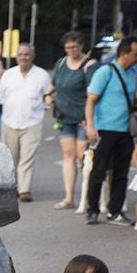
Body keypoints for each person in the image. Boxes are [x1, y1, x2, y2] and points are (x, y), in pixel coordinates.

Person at [83, 36, 137, 226]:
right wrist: (91, 126)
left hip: (125, 131)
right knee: (98, 171)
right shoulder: (105, 72)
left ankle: (115, 211)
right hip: (105, 130)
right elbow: (91, 100)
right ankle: (92, 210)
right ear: (124, 54)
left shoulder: (133, 72)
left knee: (121, 172)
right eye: (136, 54)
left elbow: (124, 96)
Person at [48, 31, 96, 210]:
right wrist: (48, 95)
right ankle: (69, 197)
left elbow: (94, 93)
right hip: (64, 116)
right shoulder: (61, 63)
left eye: (75, 46)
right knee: (68, 155)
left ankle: (89, 196)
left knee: (82, 157)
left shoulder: (89, 65)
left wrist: (90, 120)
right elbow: (53, 85)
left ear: (82, 45)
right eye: (68, 47)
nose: (71, 50)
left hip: (84, 118)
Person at [0, 43, 50, 200]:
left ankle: (24, 190)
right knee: (9, 158)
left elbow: (47, 97)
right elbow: (2, 97)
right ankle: (10, 188)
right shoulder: (8, 75)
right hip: (9, 121)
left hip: (32, 122)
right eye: (20, 55)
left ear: (32, 56)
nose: (23, 57)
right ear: (16, 56)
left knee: (27, 158)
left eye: (26, 54)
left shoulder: (42, 75)